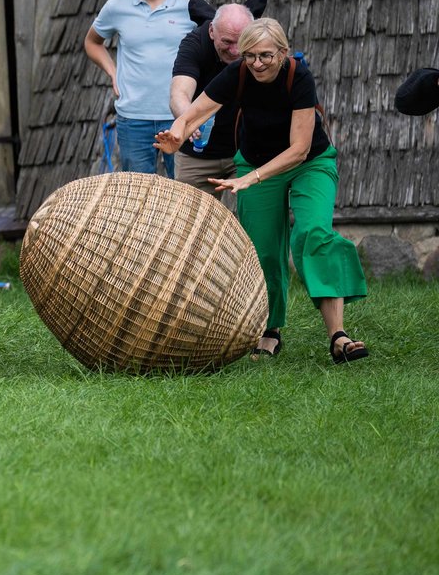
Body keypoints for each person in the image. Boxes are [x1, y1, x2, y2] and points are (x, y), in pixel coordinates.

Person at [157, 18, 368, 363]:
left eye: (266, 56)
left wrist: (251, 178)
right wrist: (176, 135)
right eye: (250, 55)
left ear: (283, 53)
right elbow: (195, 113)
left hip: (309, 163)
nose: (257, 64)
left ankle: (338, 336)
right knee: (263, 251)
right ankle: (270, 330)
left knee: (313, 233)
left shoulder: (298, 76)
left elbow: (299, 149)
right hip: (255, 161)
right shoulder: (238, 73)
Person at [84, 0, 201, 177]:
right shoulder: (117, 6)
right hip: (133, 119)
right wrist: (113, 72)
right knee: (137, 194)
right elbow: (92, 42)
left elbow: (216, 42)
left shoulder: (190, 3)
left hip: (179, 117)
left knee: (183, 192)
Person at [169, 3, 256, 193]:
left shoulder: (260, 46)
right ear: (211, 31)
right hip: (196, 157)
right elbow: (179, 94)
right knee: (188, 211)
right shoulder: (195, 45)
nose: (235, 51)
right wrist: (189, 121)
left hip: (246, 153)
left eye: (241, 42)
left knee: (251, 211)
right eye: (227, 42)